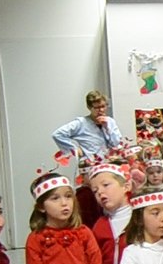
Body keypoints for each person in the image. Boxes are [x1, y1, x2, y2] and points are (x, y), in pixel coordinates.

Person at [52, 91, 124, 229]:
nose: (101, 110)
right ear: (90, 108)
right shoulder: (81, 123)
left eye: (103, 106)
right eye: (97, 108)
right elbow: (57, 134)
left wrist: (107, 127)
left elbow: (117, 144)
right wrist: (73, 148)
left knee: (109, 200)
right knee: (91, 202)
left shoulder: (110, 122)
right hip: (89, 169)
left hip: (107, 167)